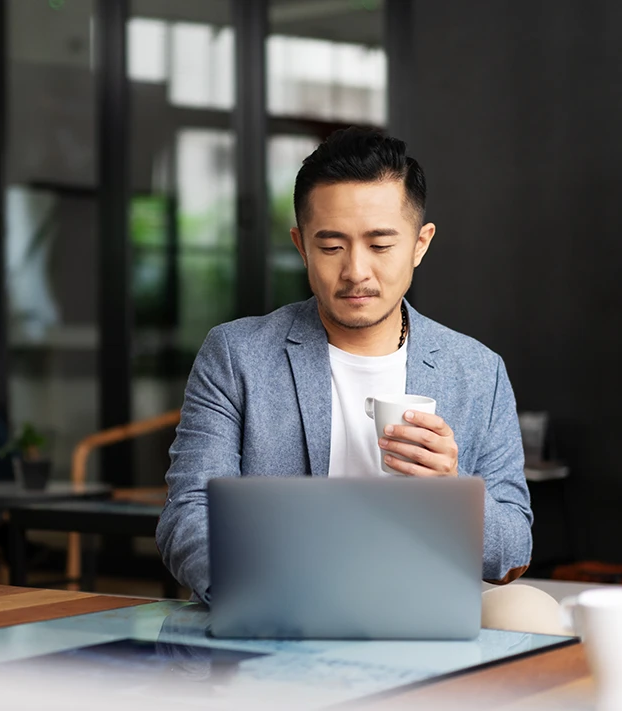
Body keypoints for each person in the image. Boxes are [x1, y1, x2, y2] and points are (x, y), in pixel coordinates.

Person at [157, 128, 533, 605]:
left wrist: (450, 489)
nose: (356, 271)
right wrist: (274, 595)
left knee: (528, 612)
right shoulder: (237, 355)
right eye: (332, 247)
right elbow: (187, 516)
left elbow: (514, 548)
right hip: (278, 611)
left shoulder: (478, 371)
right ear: (301, 245)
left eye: (380, 246)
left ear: (420, 244)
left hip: (418, 615)